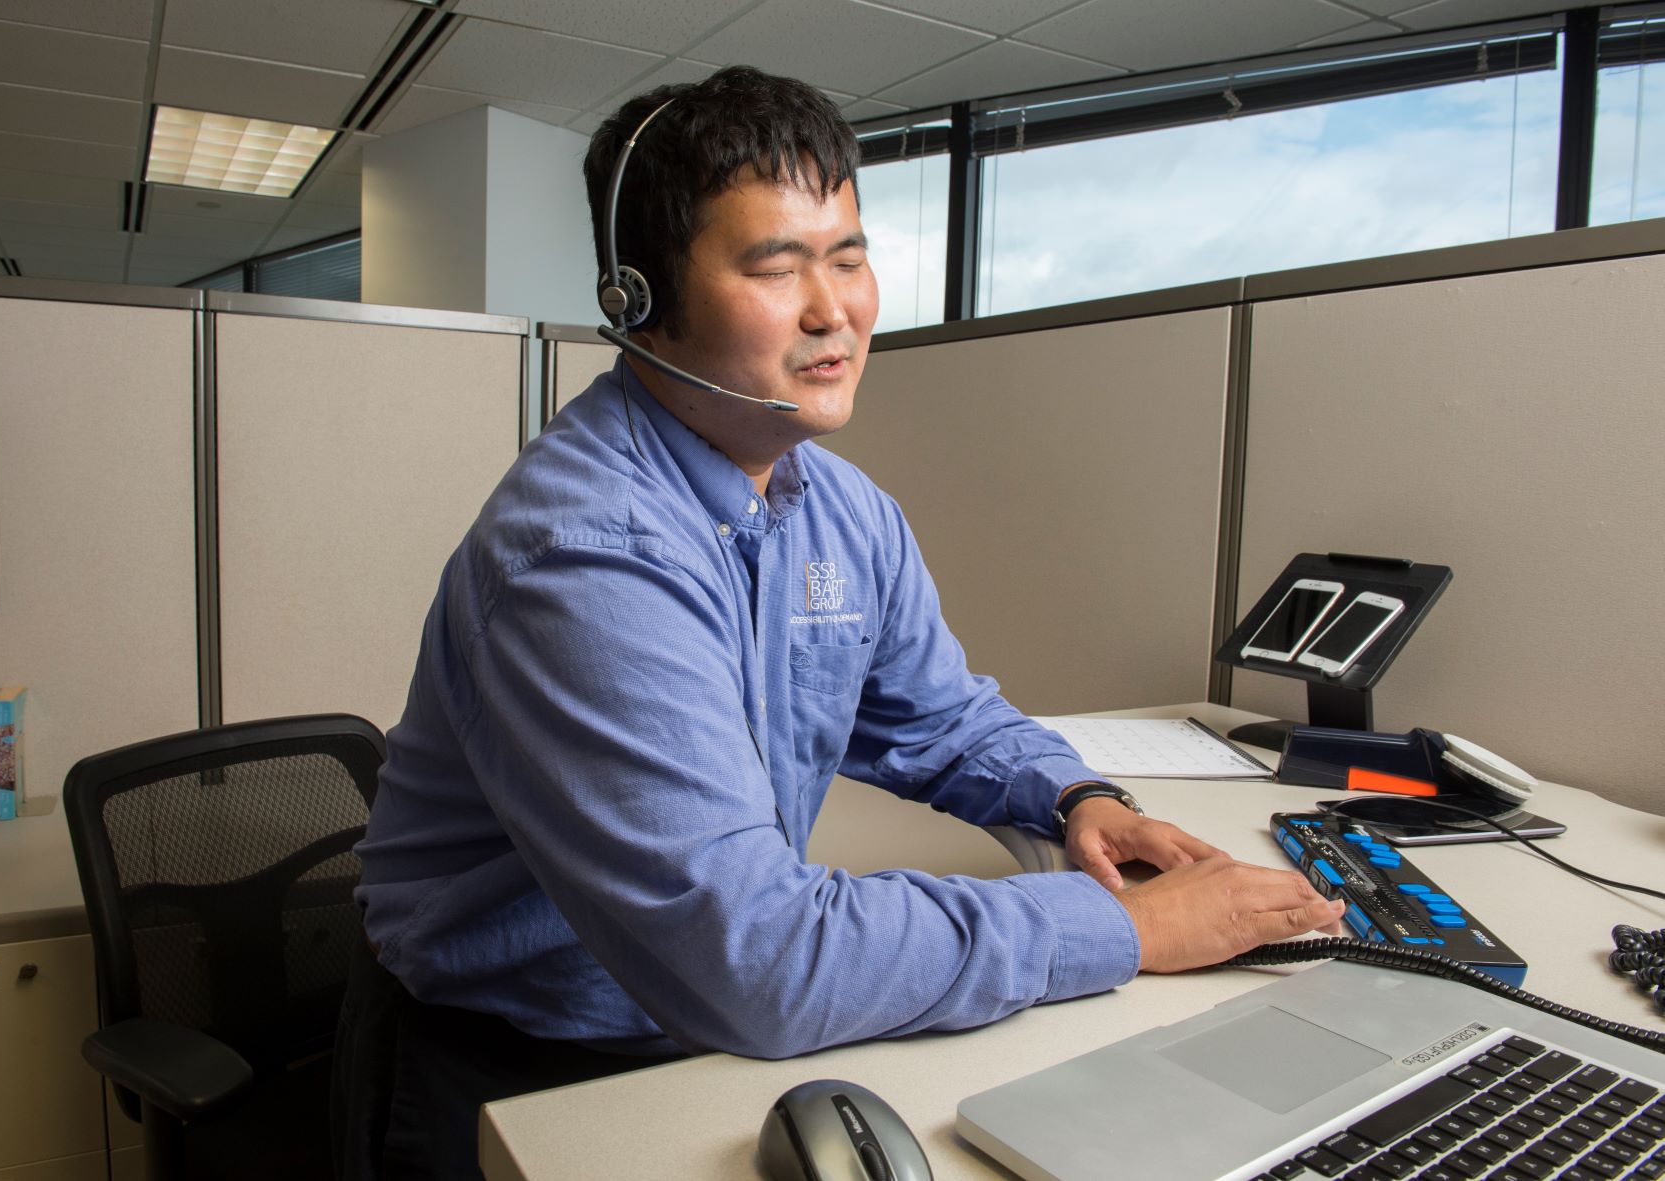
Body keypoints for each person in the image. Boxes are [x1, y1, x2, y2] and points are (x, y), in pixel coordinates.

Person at [336, 64, 1343, 1179]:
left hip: (700, 1036)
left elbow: (943, 716)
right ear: (637, 299)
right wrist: (1129, 931)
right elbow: (756, 955)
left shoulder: (838, 506)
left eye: (848, 255)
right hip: (525, 1069)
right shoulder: (582, 557)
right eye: (776, 266)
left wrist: (1074, 799)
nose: (836, 311)